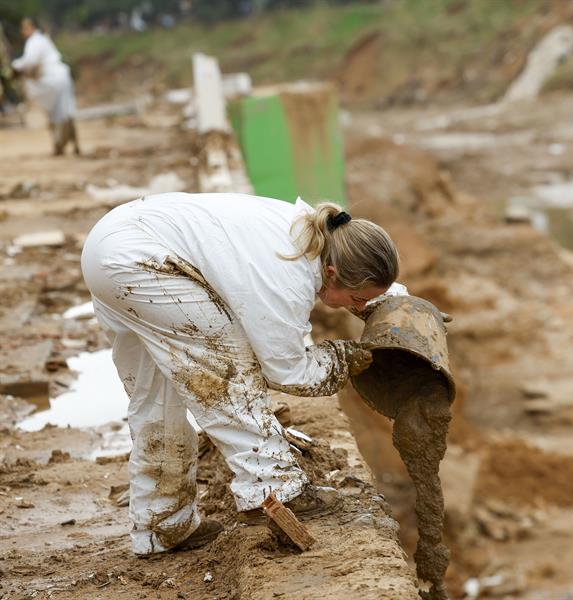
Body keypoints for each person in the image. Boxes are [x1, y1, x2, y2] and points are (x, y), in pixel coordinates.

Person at [81, 193, 406, 555]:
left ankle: (162, 523)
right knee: (226, 375)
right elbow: (287, 371)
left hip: (109, 248)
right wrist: (342, 359)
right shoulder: (286, 277)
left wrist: (397, 306)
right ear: (332, 274)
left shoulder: (319, 236)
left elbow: (363, 283)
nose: (358, 309)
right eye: (358, 300)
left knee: (156, 395)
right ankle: (274, 486)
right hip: (140, 261)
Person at [11, 17, 80, 155]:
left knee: (57, 114)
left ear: (32, 27)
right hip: (60, 78)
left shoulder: (35, 41)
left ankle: (61, 145)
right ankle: (70, 145)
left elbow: (29, 62)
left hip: (53, 81)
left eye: (25, 28)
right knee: (65, 112)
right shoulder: (43, 40)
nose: (23, 31)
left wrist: (14, 66)